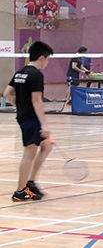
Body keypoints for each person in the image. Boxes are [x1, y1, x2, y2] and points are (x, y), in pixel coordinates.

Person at [4, 42, 55, 202]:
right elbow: (37, 100)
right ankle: (20, 191)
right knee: (30, 152)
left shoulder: (20, 73)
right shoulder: (36, 75)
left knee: (46, 146)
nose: (47, 63)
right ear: (41, 58)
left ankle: (30, 183)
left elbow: (6, 94)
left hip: (24, 116)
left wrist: (20, 106)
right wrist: (44, 124)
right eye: (47, 59)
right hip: (31, 119)